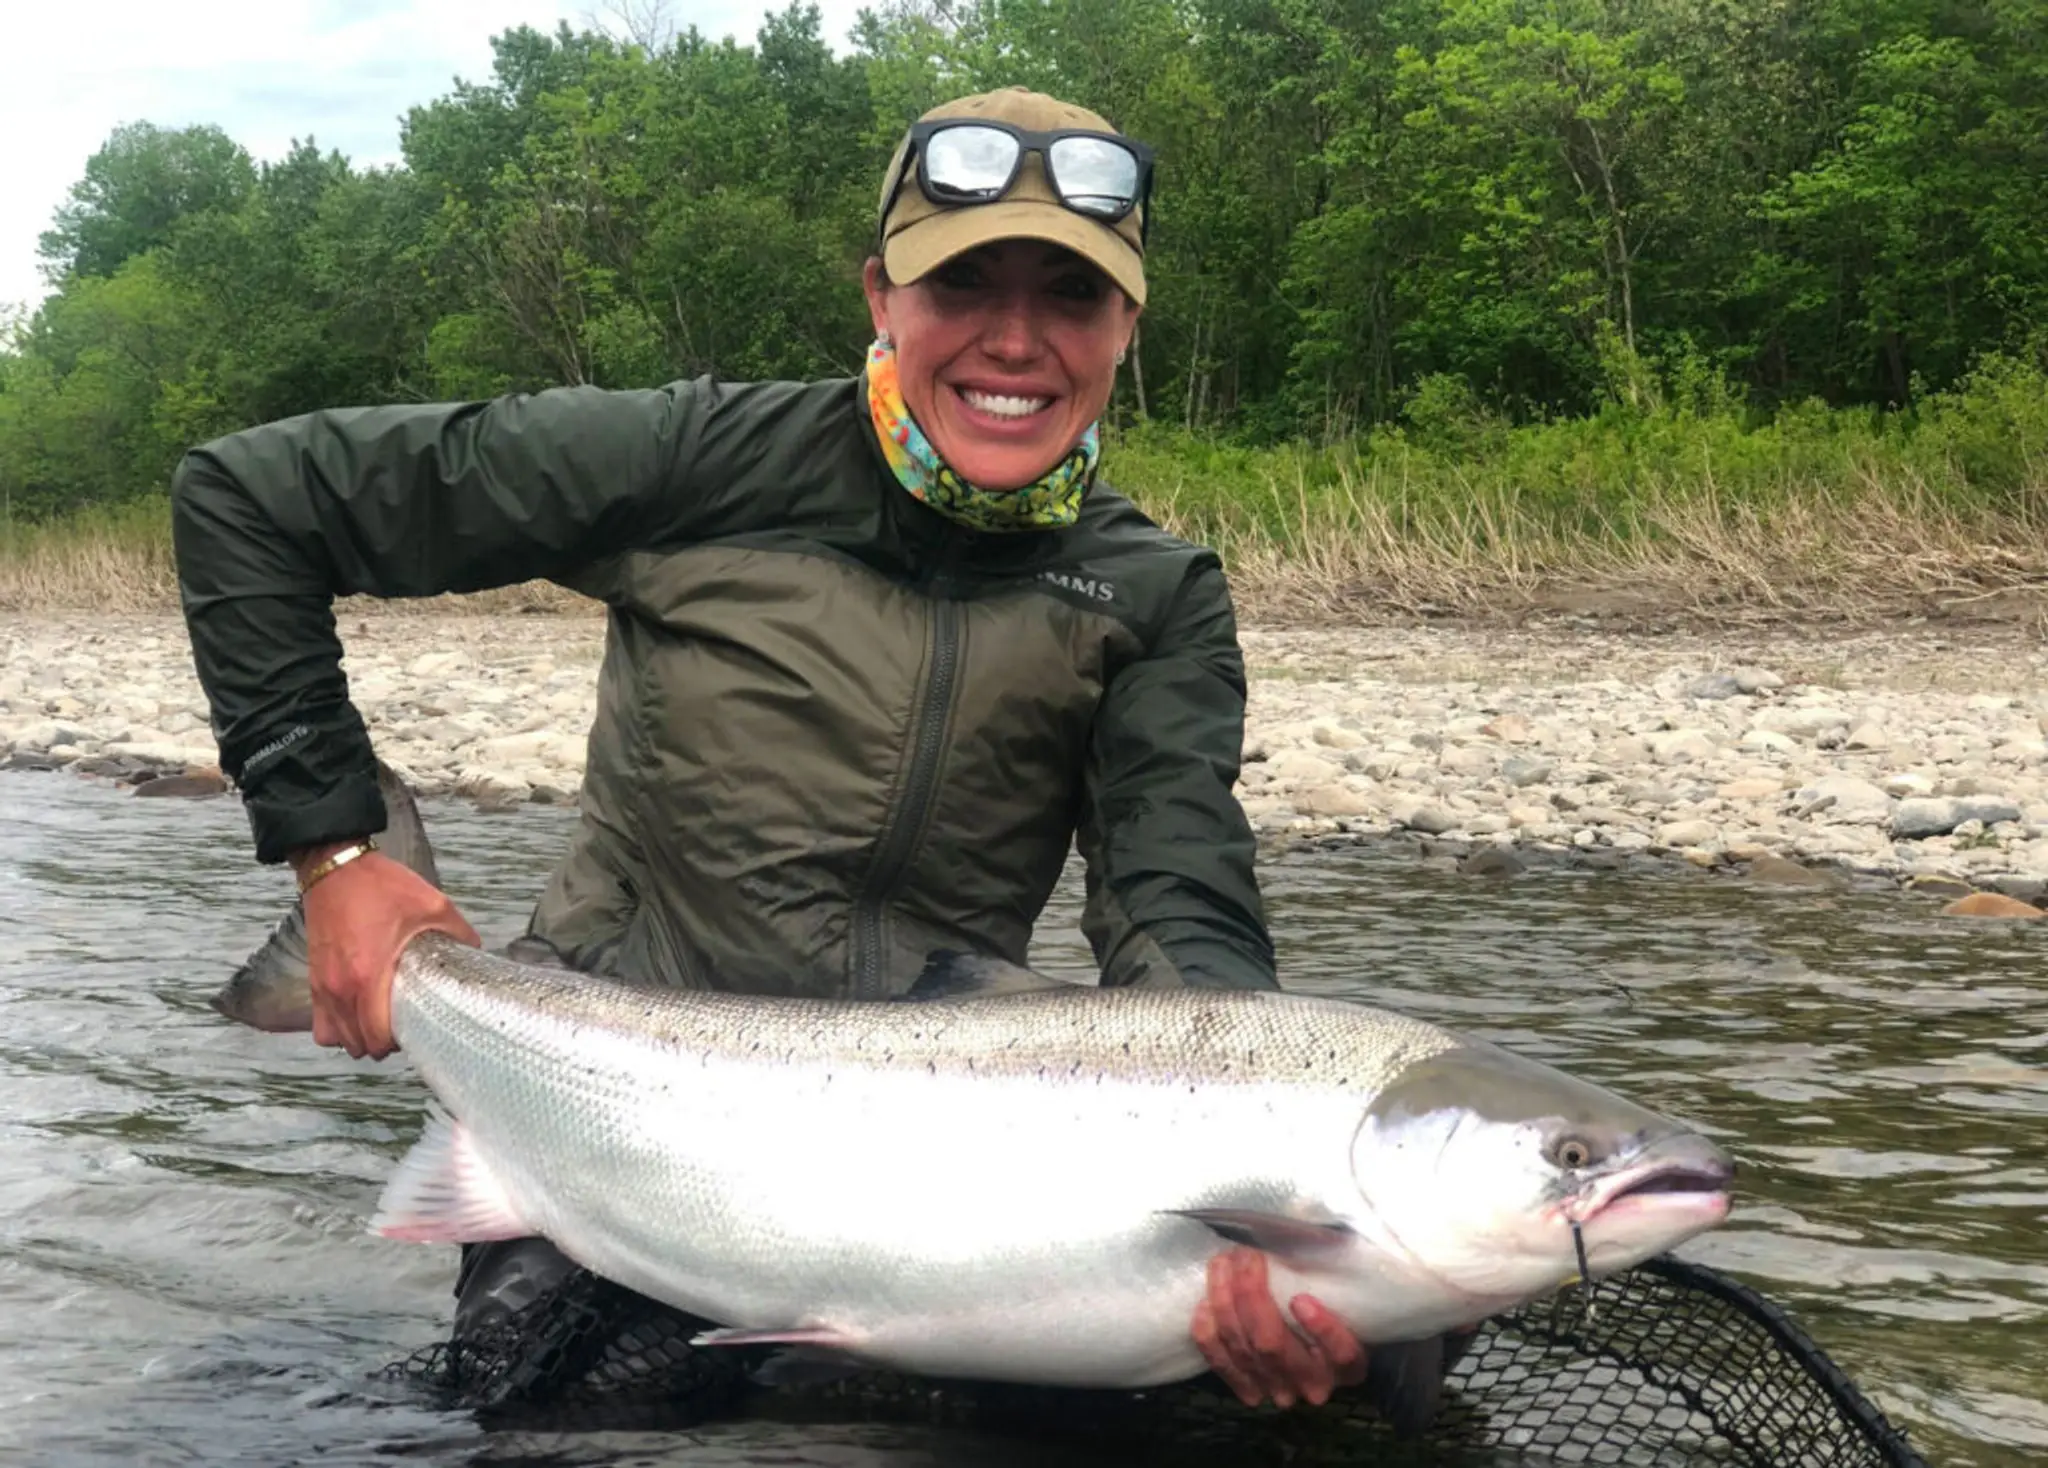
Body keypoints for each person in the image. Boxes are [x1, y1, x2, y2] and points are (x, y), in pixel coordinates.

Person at [171, 86, 1368, 1411]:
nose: (1017, 342)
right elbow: (250, 498)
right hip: (607, 1114)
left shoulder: (1151, 593)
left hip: (932, 1171)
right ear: (881, 296)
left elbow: (1173, 903)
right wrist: (335, 851)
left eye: (1072, 299)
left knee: (1370, 1338)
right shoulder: (700, 462)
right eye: (966, 283)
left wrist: (1265, 1159)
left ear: (1127, 328)